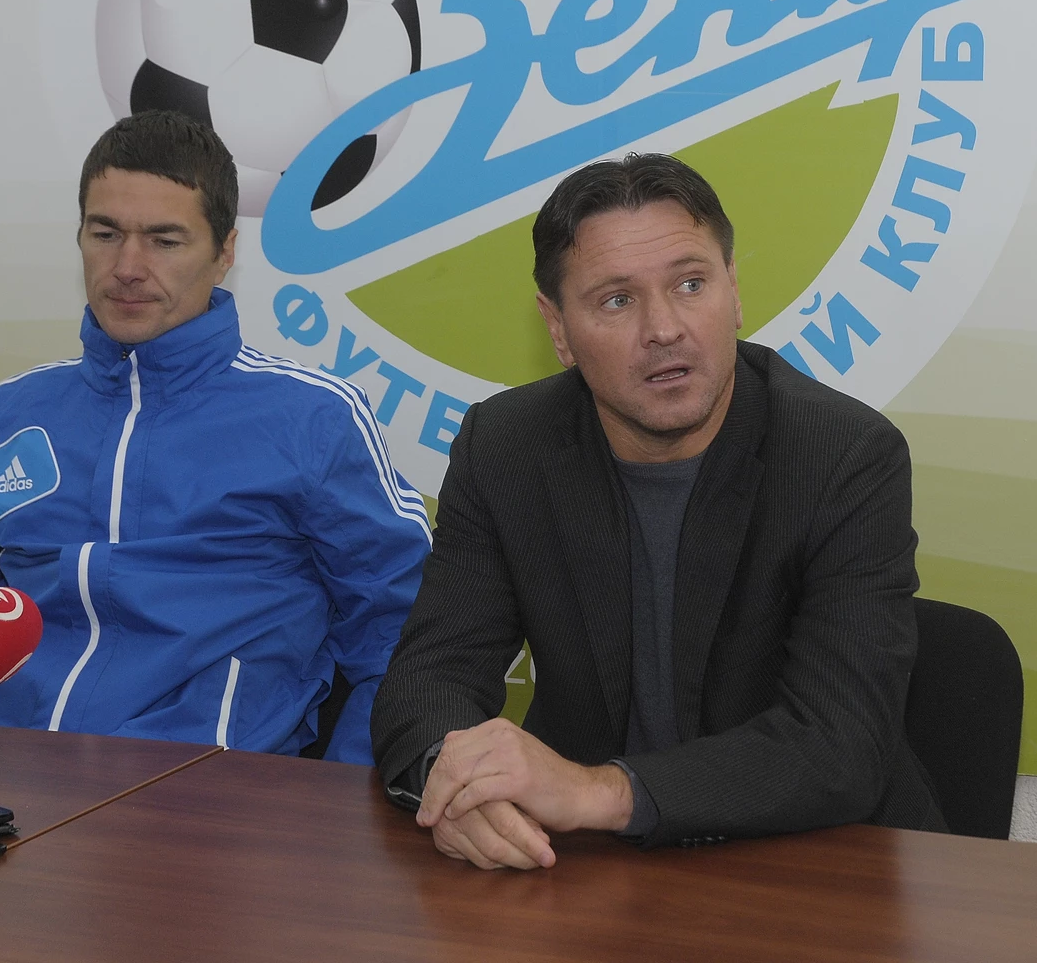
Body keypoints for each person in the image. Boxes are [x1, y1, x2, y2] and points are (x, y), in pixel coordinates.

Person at [370, 152, 945, 867]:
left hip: (813, 860)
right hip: (589, 867)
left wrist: (597, 791)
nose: (664, 328)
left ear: (734, 292)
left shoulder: (841, 456)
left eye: (691, 284)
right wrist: (456, 783)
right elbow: (430, 678)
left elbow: (839, 745)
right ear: (558, 329)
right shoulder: (506, 448)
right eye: (617, 300)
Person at [0, 110, 431, 762]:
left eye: (164, 241)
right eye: (105, 233)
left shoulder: (314, 419)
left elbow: (399, 635)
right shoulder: (7, 414)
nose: (127, 267)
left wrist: (341, 801)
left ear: (224, 253)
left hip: (195, 791)